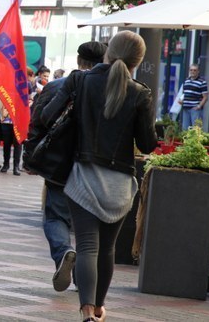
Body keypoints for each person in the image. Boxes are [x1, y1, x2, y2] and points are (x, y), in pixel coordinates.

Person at [42, 31, 156, 322]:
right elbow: (146, 144)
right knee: (106, 249)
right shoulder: (140, 92)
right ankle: (100, 307)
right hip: (119, 184)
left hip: (83, 177)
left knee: (87, 246)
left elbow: (47, 117)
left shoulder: (80, 80)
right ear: (137, 61)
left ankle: (86, 311)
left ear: (108, 52)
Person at [29, 41, 107, 292]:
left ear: (78, 60)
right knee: (88, 228)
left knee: (55, 217)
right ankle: (82, 278)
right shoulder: (110, 89)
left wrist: (30, 157)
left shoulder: (55, 86)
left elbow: (37, 123)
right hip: (94, 167)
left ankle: (64, 251)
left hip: (59, 164)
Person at [178, 64, 208, 130]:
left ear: (198, 71)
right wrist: (181, 100)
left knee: (196, 129)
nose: (192, 72)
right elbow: (185, 93)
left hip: (195, 109)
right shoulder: (186, 80)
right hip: (185, 108)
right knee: (185, 129)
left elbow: (205, 97)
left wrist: (199, 106)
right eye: (191, 70)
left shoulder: (202, 82)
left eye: (195, 70)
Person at [0, 108, 22, 175]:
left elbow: (29, 101)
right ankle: (6, 164)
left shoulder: (23, 96)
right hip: (6, 119)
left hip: (19, 120)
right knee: (6, 143)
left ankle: (16, 166)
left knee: (18, 143)